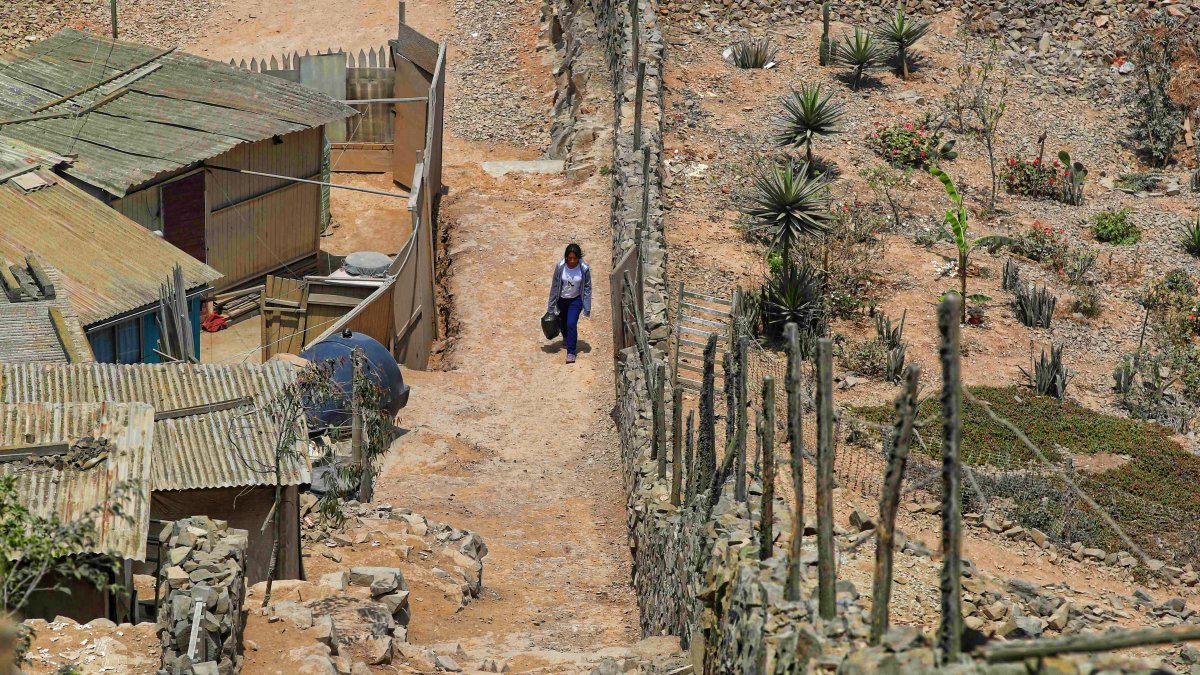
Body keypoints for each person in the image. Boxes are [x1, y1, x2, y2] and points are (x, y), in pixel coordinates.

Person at [547, 243, 592, 363]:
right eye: (570, 258)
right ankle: (566, 336)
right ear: (566, 257)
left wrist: (587, 306)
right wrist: (551, 306)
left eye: (575, 258)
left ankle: (571, 352)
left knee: (571, 323)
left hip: (575, 300)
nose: (572, 261)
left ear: (579, 258)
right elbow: (555, 286)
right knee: (563, 321)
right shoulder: (560, 267)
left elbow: (587, 287)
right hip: (561, 299)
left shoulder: (584, 268)